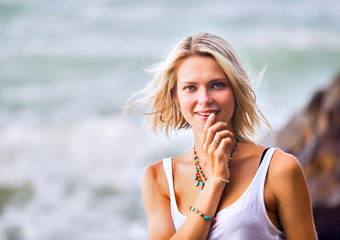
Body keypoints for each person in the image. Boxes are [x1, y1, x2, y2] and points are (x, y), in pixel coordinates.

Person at [126, 32, 317, 240]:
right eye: (190, 88)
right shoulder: (158, 178)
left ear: (236, 91)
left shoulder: (278, 168)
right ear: (176, 97)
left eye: (217, 85)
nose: (204, 99)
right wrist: (216, 181)